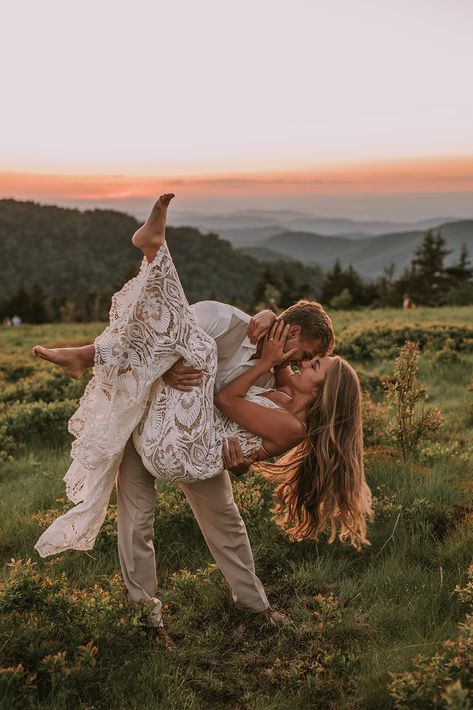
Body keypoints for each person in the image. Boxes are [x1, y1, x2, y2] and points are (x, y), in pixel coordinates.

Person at [33, 194, 372, 634]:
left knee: (225, 520)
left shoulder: (277, 380)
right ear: (287, 330)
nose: (296, 363)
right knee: (136, 519)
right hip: (147, 418)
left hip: (196, 444)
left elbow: (252, 424)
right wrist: (168, 366)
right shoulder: (223, 320)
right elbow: (160, 330)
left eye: (307, 362)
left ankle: (254, 606)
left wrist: (246, 460)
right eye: (303, 352)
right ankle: (145, 618)